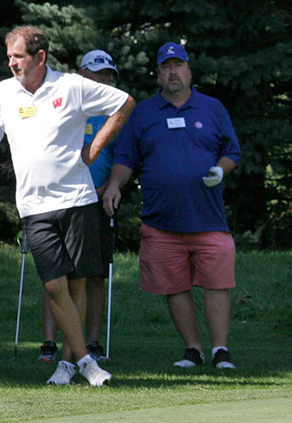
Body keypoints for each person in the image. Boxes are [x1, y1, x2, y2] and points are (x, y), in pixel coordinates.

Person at [0, 26, 134, 386]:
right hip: (34, 206)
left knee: (77, 285)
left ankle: (66, 365)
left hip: (77, 200)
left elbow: (124, 102)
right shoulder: (2, 94)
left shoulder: (71, 86)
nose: (12, 63)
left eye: (18, 56)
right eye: (9, 57)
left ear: (40, 57)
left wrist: (94, 149)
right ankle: (85, 361)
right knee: (53, 285)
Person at [103, 42, 241, 370]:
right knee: (175, 287)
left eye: (178, 66)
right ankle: (192, 349)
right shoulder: (144, 113)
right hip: (162, 220)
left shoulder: (212, 108)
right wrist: (113, 185)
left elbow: (232, 151)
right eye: (166, 67)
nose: (173, 72)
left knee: (217, 285)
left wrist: (221, 169)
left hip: (208, 217)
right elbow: (125, 158)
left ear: (189, 71)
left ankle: (221, 350)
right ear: (159, 74)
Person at [37, 48, 121, 364]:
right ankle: (49, 341)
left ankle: (92, 341)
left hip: (98, 200)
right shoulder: (63, 105)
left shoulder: (113, 112)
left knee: (93, 274)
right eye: (98, 73)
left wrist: (109, 187)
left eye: (107, 75)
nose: (103, 80)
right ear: (82, 74)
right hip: (58, 199)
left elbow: (122, 158)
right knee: (54, 274)